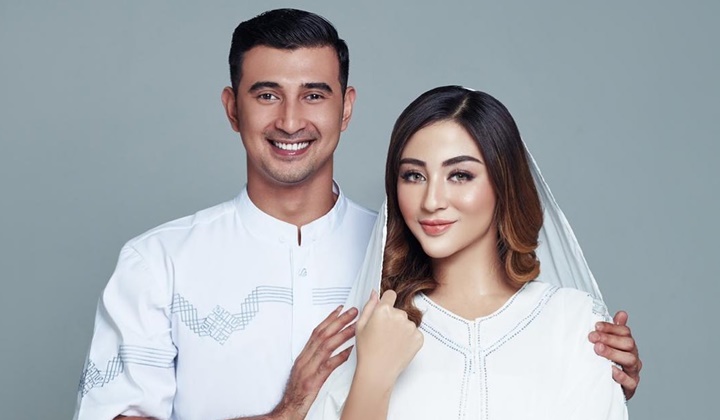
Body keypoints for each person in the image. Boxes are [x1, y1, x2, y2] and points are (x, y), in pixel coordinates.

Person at [73, 9, 640, 420]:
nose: (290, 120)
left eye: (314, 94)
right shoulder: (158, 262)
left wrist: (589, 364)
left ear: (346, 108)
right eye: (267, 95)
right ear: (232, 107)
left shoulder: (409, 249)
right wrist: (287, 411)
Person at [308, 86, 629, 419]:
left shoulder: (575, 323)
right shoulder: (376, 328)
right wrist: (373, 377)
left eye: (460, 175)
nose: (432, 200)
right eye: (414, 176)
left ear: (503, 183)